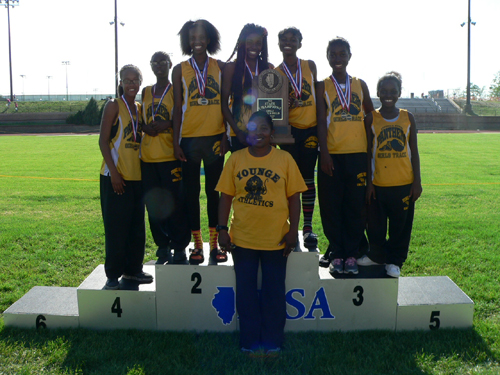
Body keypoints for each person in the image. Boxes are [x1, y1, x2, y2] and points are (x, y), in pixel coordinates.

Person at [217, 110, 306, 355]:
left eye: (264, 128)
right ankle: (248, 341)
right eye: (254, 128)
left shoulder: (285, 159)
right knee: (245, 294)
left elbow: (294, 198)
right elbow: (225, 197)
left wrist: (293, 232)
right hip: (242, 239)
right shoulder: (235, 159)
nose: (259, 133)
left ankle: (273, 341)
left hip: (276, 239)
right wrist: (222, 229)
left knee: (274, 294)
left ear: (272, 132)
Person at [316, 37, 374, 275]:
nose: (337, 58)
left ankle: (351, 253)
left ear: (350, 56)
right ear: (327, 56)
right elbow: (320, 121)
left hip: (357, 155)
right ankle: (337, 253)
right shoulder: (322, 86)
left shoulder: (360, 84)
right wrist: (325, 153)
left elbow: (370, 116)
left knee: (355, 206)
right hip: (332, 156)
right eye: (333, 54)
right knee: (331, 207)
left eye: (342, 54)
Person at [172, 19, 229, 265]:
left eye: (201, 37)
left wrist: (226, 136)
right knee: (191, 194)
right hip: (189, 140)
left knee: (214, 192)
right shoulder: (180, 69)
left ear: (209, 39)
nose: (197, 41)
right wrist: (176, 142)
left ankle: (215, 244)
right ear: (187, 40)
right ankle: (197, 245)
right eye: (192, 37)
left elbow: (228, 103)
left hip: (215, 138)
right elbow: (176, 108)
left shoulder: (221, 67)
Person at [357, 72, 422, 277]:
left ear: (399, 93)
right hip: (378, 184)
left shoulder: (407, 117)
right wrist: (369, 184)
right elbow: (368, 154)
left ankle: (395, 260)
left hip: (404, 183)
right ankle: (377, 255)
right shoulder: (371, 119)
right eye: (384, 91)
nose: (388, 95)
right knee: (375, 226)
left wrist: (417, 182)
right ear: (377, 93)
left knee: (400, 227)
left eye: (393, 91)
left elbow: (414, 152)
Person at [98, 64, 152, 290]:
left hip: (136, 177)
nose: (131, 84)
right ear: (120, 83)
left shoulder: (139, 108)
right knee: (116, 227)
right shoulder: (114, 105)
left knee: (136, 228)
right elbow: (102, 141)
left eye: (135, 80)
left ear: (140, 82)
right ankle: (112, 275)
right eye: (126, 80)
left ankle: (132, 271)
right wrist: (115, 174)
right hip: (116, 176)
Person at [141, 51, 191, 265]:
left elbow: (184, 117)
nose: (159, 65)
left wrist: (167, 124)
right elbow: (138, 120)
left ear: (170, 65)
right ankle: (162, 245)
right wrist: (145, 127)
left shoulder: (175, 91)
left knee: (175, 203)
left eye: (163, 62)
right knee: (154, 205)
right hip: (148, 158)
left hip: (170, 155)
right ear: (151, 66)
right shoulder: (145, 92)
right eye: (155, 62)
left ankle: (179, 246)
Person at [276, 27, 319, 250]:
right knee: (289, 182)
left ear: (300, 43)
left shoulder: (309, 65)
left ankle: (308, 228)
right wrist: (285, 103)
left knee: (308, 180)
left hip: (310, 129)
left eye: (293, 39)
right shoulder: (275, 73)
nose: (288, 43)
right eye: (284, 39)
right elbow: (273, 110)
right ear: (279, 44)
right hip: (289, 132)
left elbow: (317, 97)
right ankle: (290, 225)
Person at [221, 23, 272, 152]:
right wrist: (237, 131)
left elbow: (274, 103)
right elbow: (223, 104)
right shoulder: (231, 68)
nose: (253, 47)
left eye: (258, 43)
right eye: (249, 42)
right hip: (239, 134)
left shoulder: (269, 68)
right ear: (242, 43)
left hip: (263, 135)